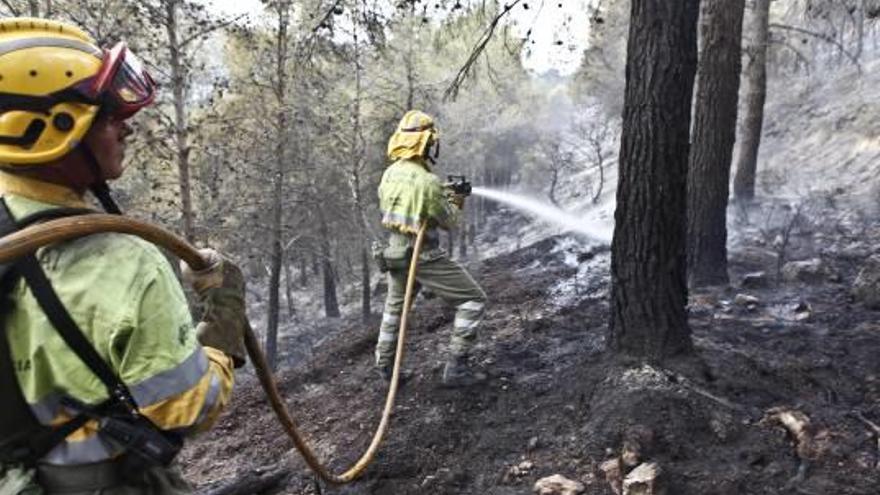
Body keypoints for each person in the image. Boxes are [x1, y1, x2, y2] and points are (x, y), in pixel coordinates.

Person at [0, 18, 248, 494]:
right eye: (109, 117)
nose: (126, 130)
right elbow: (189, 406)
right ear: (52, 131)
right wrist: (224, 321)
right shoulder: (123, 263)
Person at [375, 110, 488, 387]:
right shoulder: (428, 182)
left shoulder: (390, 174)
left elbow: (408, 205)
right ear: (427, 143)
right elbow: (449, 222)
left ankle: (385, 369)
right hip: (422, 256)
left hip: (394, 253)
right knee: (473, 299)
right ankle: (457, 369)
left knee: (395, 310)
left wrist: (441, 193)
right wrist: (457, 198)